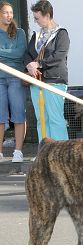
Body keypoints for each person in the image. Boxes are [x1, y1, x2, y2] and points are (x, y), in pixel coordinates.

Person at [23, 0, 69, 142]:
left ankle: (62, 156)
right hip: (36, 82)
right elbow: (27, 54)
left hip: (55, 81)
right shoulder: (36, 35)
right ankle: (43, 154)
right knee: (41, 120)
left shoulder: (62, 34)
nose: (35, 21)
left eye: (37, 18)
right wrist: (30, 65)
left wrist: (39, 64)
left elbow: (59, 56)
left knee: (55, 119)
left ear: (47, 15)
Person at [0, 1, 26, 162]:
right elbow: (14, 53)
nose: (9, 15)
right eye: (5, 12)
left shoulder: (20, 32)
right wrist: (9, 53)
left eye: (11, 12)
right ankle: (0, 152)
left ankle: (18, 152)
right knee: (0, 117)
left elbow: (20, 53)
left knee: (18, 114)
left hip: (16, 77)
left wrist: (2, 54)